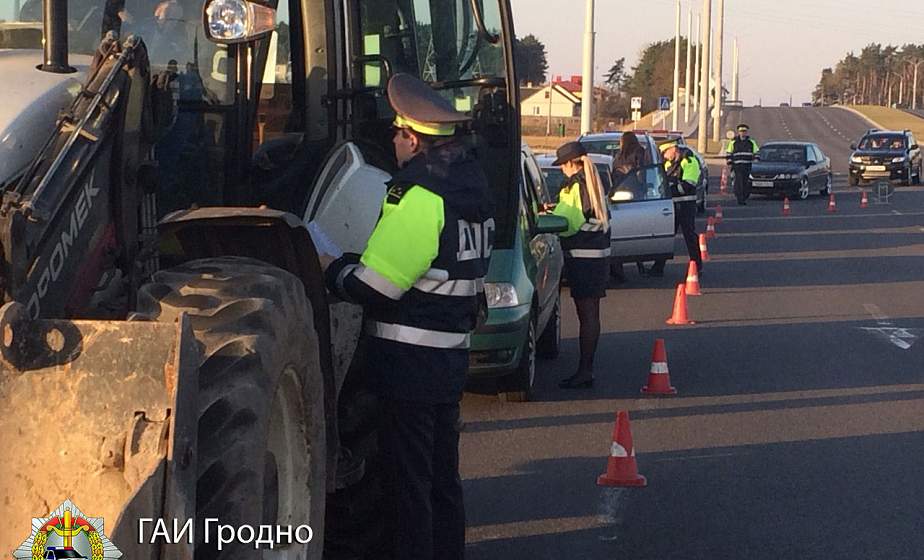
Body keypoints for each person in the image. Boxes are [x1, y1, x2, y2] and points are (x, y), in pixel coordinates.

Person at [325, 73, 495, 559]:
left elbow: (377, 286)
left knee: (407, 486)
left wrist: (331, 268)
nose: (394, 143)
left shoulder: (418, 193)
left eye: (398, 134)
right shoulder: (472, 186)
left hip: (407, 363)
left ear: (413, 138)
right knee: (443, 479)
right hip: (449, 357)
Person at [549, 141, 611, 389]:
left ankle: (585, 370)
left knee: (585, 315)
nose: (561, 170)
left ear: (568, 164)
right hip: (598, 257)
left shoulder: (575, 185)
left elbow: (567, 222)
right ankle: (587, 368)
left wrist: (545, 216)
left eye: (561, 165)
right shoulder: (594, 183)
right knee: (591, 315)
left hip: (582, 258)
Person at [646, 142, 703, 277]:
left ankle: (697, 265)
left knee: (689, 235)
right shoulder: (668, 165)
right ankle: (658, 267)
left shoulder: (689, 161)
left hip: (686, 205)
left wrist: (670, 189)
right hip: (671, 205)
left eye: (665, 152)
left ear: (673, 149)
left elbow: (689, 184)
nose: (664, 156)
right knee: (667, 235)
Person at [726, 123, 760, 205]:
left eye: (744, 131)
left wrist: (756, 159)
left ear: (747, 132)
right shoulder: (733, 142)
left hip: (747, 165)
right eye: (741, 131)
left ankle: (744, 196)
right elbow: (729, 153)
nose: (743, 133)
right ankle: (740, 198)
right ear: (738, 132)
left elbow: (756, 152)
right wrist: (729, 162)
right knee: (739, 182)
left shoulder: (751, 142)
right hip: (737, 166)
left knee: (745, 182)